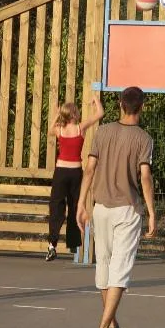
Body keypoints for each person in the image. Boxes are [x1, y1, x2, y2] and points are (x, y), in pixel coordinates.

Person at [77, 87, 156, 328]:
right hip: (127, 209)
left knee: (104, 267)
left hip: (100, 208)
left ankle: (111, 325)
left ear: (120, 104)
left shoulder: (103, 131)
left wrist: (81, 204)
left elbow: (89, 169)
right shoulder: (144, 139)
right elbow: (145, 176)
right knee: (119, 271)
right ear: (141, 107)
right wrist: (152, 211)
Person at [46, 96, 104, 262]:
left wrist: (57, 115)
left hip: (61, 172)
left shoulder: (60, 129)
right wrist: (95, 101)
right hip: (75, 172)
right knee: (74, 205)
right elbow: (100, 113)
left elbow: (50, 130)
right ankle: (72, 243)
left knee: (56, 205)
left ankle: (52, 244)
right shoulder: (81, 128)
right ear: (74, 114)